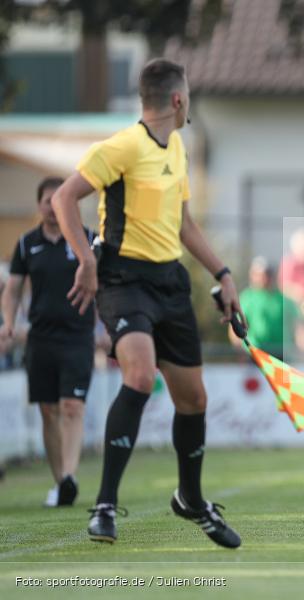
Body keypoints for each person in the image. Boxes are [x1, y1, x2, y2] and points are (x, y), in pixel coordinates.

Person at [51, 58, 243, 548]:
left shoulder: (176, 147)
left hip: (168, 282)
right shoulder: (121, 147)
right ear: (178, 100)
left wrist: (222, 274)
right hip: (121, 278)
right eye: (189, 97)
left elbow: (183, 222)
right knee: (139, 375)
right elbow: (63, 199)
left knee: (193, 399)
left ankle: (190, 500)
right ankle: (105, 504)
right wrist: (86, 261)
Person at [0, 176, 96, 507]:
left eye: (60, 201)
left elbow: (108, 284)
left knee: (72, 405)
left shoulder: (88, 240)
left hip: (78, 336)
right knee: (48, 411)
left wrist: (109, 326)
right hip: (41, 338)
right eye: (47, 202)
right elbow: (12, 289)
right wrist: (9, 323)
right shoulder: (27, 244)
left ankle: (69, 475)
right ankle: (60, 483)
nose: (54, 208)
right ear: (39, 205)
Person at [231, 256, 301, 361]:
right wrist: (240, 352)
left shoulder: (283, 299)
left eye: (267, 274)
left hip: (280, 355)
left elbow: (297, 326)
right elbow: (235, 328)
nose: (263, 278)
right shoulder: (246, 298)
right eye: (259, 274)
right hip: (254, 354)